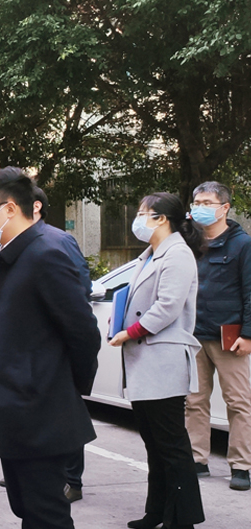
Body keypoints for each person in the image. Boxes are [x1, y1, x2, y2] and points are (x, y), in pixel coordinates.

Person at [0, 167, 101, 529]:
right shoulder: (9, 252)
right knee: (26, 507)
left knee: (46, 513)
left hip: (39, 408)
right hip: (15, 406)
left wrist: (63, 387)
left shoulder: (47, 251)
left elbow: (83, 332)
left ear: (10, 209)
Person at [108, 192, 207, 529]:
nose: (138, 219)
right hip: (144, 360)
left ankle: (182, 519)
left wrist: (129, 332)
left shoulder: (177, 254)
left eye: (142, 213)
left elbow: (167, 306)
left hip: (163, 358)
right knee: (154, 443)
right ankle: (157, 511)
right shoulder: (150, 254)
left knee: (171, 444)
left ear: (161, 218)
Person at [186, 181, 251, 491]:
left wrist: (248, 335)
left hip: (230, 338)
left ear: (225, 208)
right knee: (194, 401)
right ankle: (196, 460)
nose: (200, 208)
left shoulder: (242, 245)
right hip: (194, 334)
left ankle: (241, 465)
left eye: (207, 203)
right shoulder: (190, 242)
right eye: (197, 202)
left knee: (239, 402)